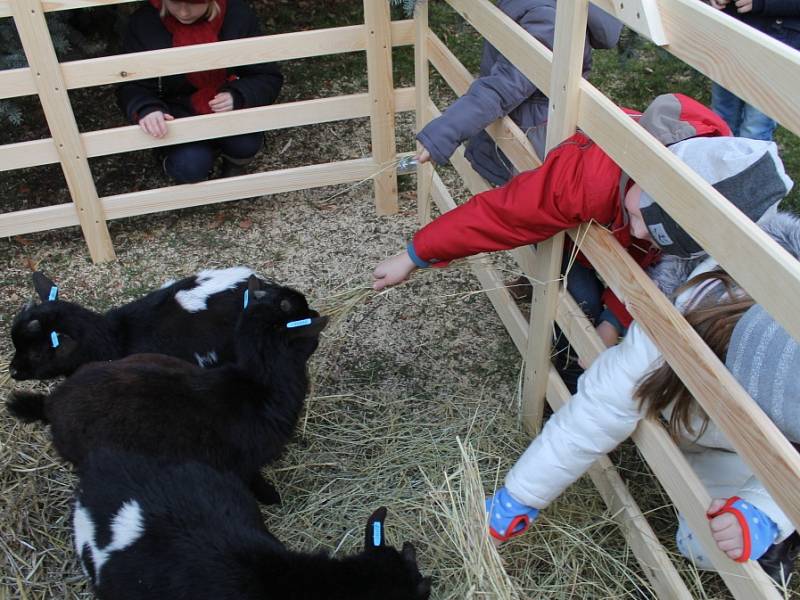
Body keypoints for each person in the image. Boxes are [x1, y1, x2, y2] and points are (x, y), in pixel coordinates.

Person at [374, 94, 783, 387]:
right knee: (577, 298)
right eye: (642, 218)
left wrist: (613, 326)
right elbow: (500, 214)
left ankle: (578, 379)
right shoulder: (584, 179)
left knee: (605, 315)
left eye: (655, 231)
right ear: (646, 176)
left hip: (619, 243)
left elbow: (659, 270)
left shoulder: (707, 202)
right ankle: (558, 378)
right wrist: (413, 254)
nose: (642, 232)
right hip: (579, 237)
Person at [485, 209, 800, 582]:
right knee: (702, 541)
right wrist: (521, 493)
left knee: (732, 539)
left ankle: (779, 532)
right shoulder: (673, 330)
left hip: (774, 452)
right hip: (717, 435)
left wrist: (767, 510)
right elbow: (598, 410)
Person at [414, 0, 622, 186]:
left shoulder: (547, 17)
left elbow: (504, 86)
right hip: (515, 129)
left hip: (525, 142)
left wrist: (446, 130)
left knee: (516, 208)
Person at [117, 0, 283, 183]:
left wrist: (238, 95)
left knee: (245, 143)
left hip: (225, 105)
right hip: (175, 113)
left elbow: (265, 75)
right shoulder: (145, 22)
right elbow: (131, 84)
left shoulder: (237, 15)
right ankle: (176, 161)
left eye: (194, 3)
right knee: (190, 165)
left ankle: (234, 162)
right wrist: (147, 109)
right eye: (174, 3)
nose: (184, 12)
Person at [708, 0, 800, 141]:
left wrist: (763, 3)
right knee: (721, 118)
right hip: (730, 30)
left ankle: (750, 161)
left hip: (776, 40)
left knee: (755, 128)